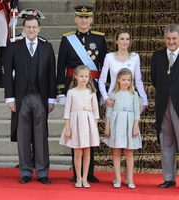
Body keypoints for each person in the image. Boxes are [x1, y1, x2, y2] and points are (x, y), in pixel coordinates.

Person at [57, 4, 107, 183]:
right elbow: (60, 66)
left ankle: (90, 172)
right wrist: (62, 91)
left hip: (92, 88)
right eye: (80, 17)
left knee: (90, 130)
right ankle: (75, 173)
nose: (84, 20)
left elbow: (104, 67)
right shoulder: (67, 39)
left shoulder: (99, 39)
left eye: (87, 17)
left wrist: (103, 93)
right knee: (75, 131)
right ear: (75, 19)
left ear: (91, 19)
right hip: (73, 87)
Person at [3, 14, 56, 184]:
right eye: (28, 27)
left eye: (34, 27)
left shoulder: (46, 47)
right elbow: (7, 75)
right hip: (22, 97)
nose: (31, 30)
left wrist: (51, 99)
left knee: (41, 135)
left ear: (39, 29)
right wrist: (9, 98)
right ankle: (25, 171)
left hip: (40, 96)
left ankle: (42, 172)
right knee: (23, 134)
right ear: (23, 29)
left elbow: (51, 75)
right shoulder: (14, 47)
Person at [60, 65, 100, 188]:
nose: (84, 78)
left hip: (88, 124)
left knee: (87, 152)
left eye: (86, 76)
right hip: (75, 124)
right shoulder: (71, 92)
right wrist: (67, 128)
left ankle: (85, 178)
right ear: (76, 77)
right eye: (81, 76)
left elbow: (96, 112)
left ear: (89, 77)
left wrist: (95, 128)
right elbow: (67, 112)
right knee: (78, 152)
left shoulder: (91, 92)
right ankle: (78, 177)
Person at [151, 25, 179, 188]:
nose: (171, 42)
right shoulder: (157, 56)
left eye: (174, 38)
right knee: (166, 140)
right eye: (168, 38)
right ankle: (169, 178)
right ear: (164, 39)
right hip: (163, 104)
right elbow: (154, 79)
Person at [104, 68, 142, 189]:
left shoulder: (134, 94)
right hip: (116, 124)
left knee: (129, 152)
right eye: (124, 79)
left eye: (129, 80)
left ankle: (130, 179)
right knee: (116, 152)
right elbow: (108, 112)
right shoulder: (113, 94)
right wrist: (107, 127)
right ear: (118, 79)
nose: (126, 82)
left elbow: (137, 113)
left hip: (129, 124)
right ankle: (117, 178)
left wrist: (135, 127)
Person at [99, 28, 148, 109]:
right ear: (116, 41)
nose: (125, 42)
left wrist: (144, 99)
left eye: (127, 39)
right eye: (122, 39)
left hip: (130, 98)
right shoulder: (109, 57)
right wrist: (106, 97)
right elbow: (102, 80)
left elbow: (138, 81)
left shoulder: (135, 57)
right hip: (113, 99)